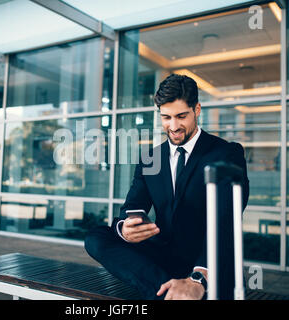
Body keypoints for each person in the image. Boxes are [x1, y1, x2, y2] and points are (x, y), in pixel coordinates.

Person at [84, 74, 249, 300]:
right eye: (166, 117)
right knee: (97, 237)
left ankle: (178, 290)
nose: (173, 126)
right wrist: (126, 228)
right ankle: (168, 293)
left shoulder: (226, 153)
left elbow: (226, 221)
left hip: (203, 261)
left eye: (181, 116)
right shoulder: (151, 158)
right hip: (162, 259)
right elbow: (132, 207)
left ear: (197, 109)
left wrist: (199, 277)